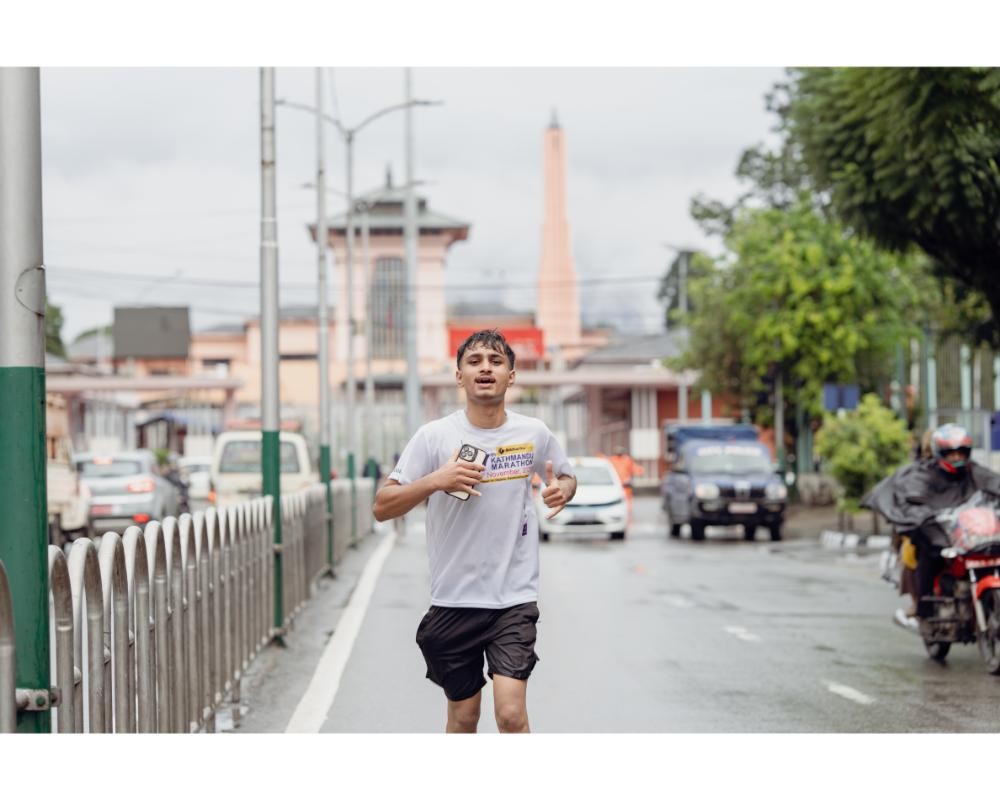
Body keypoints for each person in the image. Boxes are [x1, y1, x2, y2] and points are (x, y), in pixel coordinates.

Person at [372, 329, 576, 733]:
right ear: (459, 376)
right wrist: (436, 480)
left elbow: (567, 476)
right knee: (464, 718)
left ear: (511, 376)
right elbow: (382, 506)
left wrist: (563, 490)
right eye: (475, 361)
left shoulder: (534, 433)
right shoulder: (434, 437)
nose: (486, 368)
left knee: (511, 714)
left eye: (496, 361)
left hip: (513, 598)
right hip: (454, 600)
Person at [863, 423, 1000, 630]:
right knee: (927, 556)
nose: (956, 458)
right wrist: (925, 517)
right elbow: (913, 499)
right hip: (940, 536)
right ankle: (924, 612)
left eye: (961, 452)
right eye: (951, 453)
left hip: (974, 536)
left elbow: (994, 484)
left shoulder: (974, 471)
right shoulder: (923, 474)